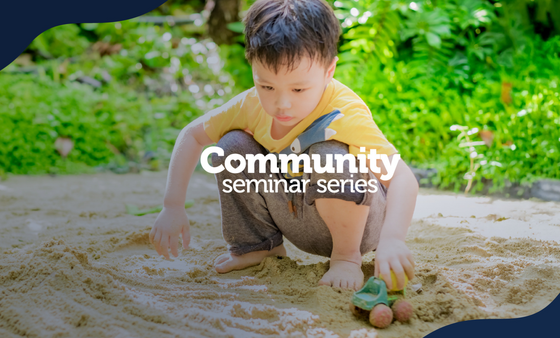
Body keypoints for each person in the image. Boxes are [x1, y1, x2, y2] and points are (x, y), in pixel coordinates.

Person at [149, 0, 419, 291]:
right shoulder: (250, 105)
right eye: (267, 87)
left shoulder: (344, 111)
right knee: (231, 146)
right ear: (252, 66)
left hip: (360, 224)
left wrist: (392, 239)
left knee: (327, 153)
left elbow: (402, 177)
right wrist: (172, 206)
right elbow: (192, 135)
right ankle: (258, 247)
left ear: (329, 71)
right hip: (300, 218)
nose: (282, 103)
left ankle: (346, 258)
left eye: (299, 89)